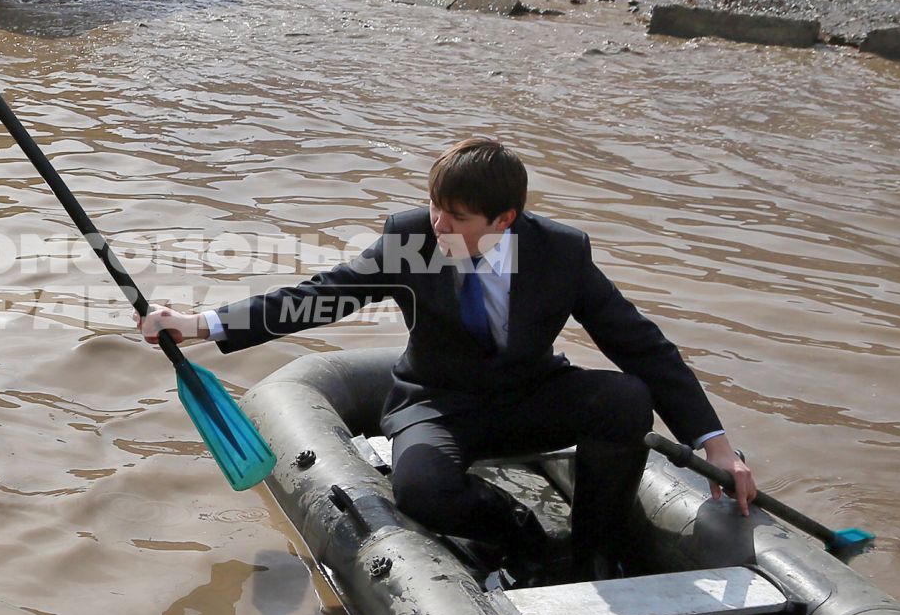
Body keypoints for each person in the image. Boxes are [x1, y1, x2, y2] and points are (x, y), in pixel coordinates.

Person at [140, 137, 756, 580]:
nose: (437, 223)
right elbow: (320, 298)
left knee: (627, 397)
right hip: (435, 401)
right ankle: (521, 534)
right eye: (434, 206)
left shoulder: (560, 253)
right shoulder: (410, 239)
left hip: (529, 393)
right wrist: (201, 325)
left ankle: (598, 549)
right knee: (422, 491)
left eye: (455, 217)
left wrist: (715, 444)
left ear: (504, 219)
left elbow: (639, 342)